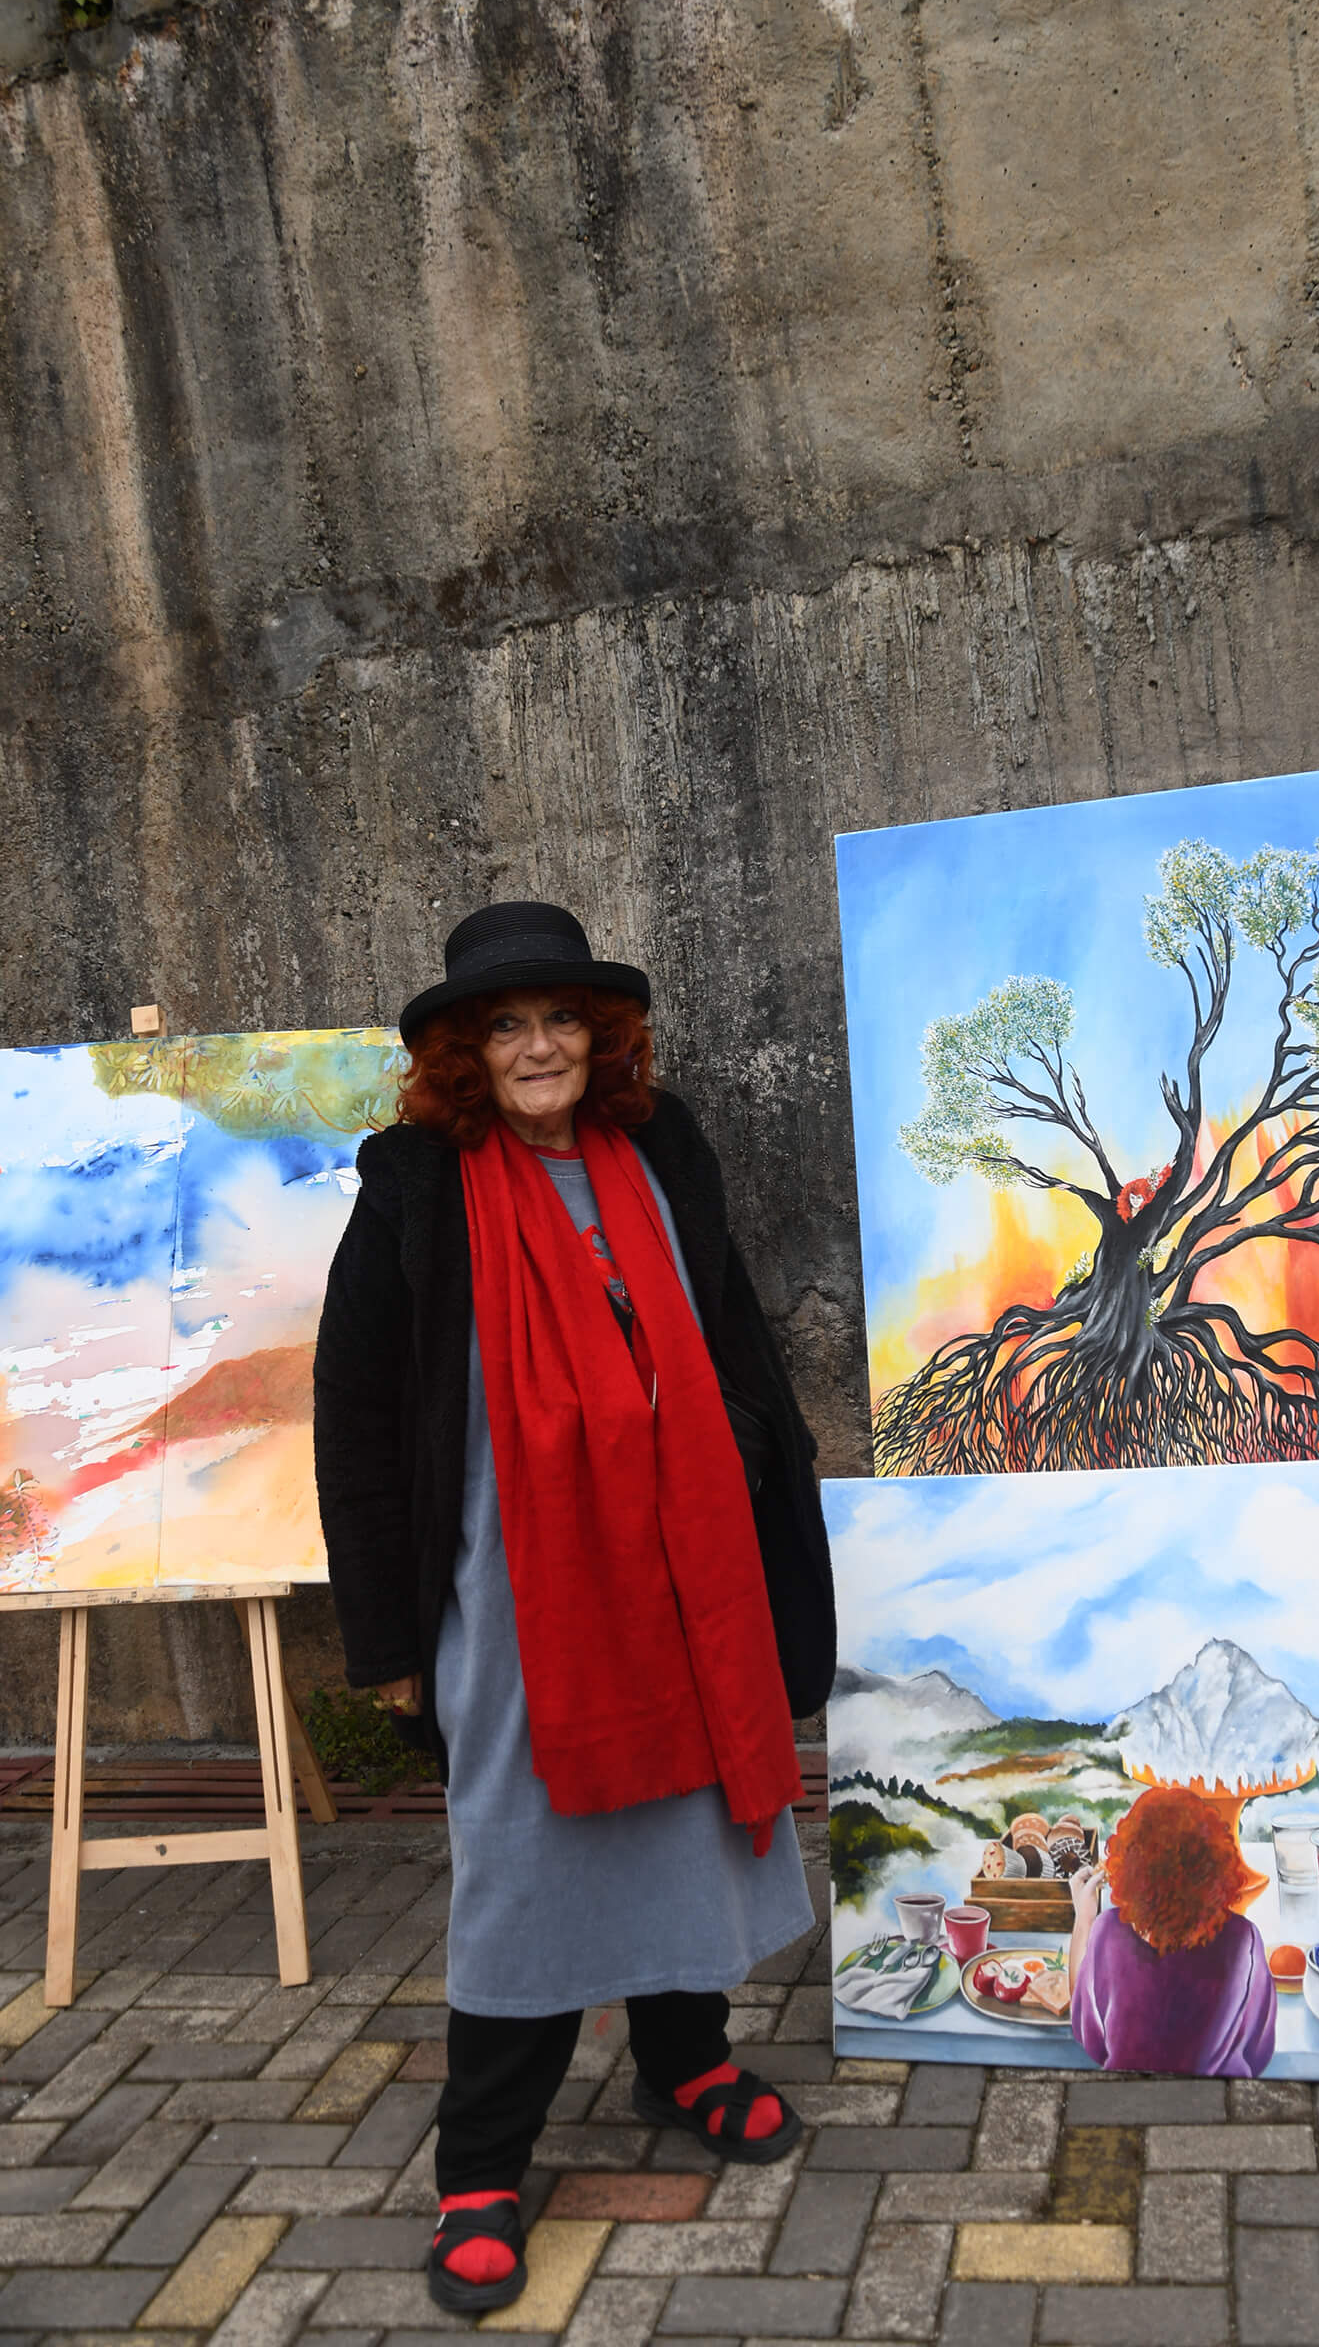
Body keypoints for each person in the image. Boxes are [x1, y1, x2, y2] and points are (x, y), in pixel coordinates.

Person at [313, 901, 835, 2315]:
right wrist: (383, 1642)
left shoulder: (659, 1150)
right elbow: (355, 1416)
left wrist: (732, 1464)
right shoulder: (417, 1187)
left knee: (691, 1819)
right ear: (464, 1056)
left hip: (683, 1569)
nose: (538, 1045)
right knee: (526, 1865)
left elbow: (728, 1329)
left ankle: (686, 2061)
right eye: (506, 1025)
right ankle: (482, 2163)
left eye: (560, 1020)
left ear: (598, 1038)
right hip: (510, 1587)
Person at [1066, 1786, 1276, 2078]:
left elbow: (1088, 2037)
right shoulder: (1244, 1938)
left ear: (1130, 1865)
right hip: (1218, 2096)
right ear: (1215, 1862)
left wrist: (1084, 1918)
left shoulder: (1107, 1931)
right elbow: (1259, 2050)